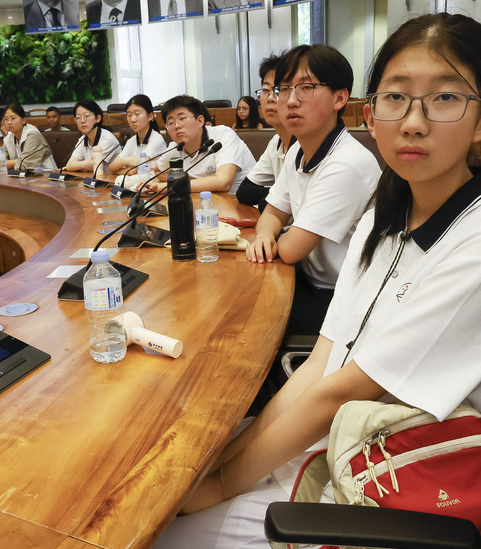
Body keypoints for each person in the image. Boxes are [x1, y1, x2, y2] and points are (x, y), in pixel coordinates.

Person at [130, 13, 481, 549]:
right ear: (372, 115)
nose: (414, 123)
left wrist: (221, 483)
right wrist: (223, 465)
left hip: (375, 483)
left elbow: (341, 391)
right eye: (397, 98)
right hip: (330, 440)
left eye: (445, 99)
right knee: (160, 472)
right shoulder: (387, 213)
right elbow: (323, 360)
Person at [246, 44, 382, 337]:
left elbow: (292, 250)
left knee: (246, 325)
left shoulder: (347, 163)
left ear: (340, 97)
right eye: (284, 89)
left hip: (344, 300)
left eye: (306, 87)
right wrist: (264, 235)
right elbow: (271, 212)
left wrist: (273, 236)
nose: (291, 100)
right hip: (309, 281)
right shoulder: (298, 150)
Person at [142, 95, 256, 195]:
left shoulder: (223, 135)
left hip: (244, 204)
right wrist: (187, 180)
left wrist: (168, 186)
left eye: (182, 118)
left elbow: (224, 182)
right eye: (170, 122)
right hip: (208, 203)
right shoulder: (174, 148)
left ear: (200, 121)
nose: (176, 125)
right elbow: (157, 172)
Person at [236, 53, 296, 212]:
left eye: (278, 89)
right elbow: (244, 192)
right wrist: (277, 194)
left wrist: (272, 197)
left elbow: (269, 204)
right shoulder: (276, 141)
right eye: (264, 90)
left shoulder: (305, 145)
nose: (269, 98)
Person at [108, 94, 167, 175]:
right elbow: (112, 167)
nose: (132, 119)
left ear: (150, 116)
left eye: (137, 114)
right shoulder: (131, 141)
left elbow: (135, 170)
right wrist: (126, 161)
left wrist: (122, 166)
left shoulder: (157, 139)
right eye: (129, 115)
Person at [63, 100, 121, 173]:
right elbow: (69, 165)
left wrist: (78, 166)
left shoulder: (108, 139)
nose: (82, 121)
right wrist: (84, 165)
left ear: (98, 118)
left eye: (86, 116)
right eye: (78, 117)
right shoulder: (83, 139)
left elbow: (94, 165)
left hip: (111, 181)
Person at [1, 103, 57, 172]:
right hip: (20, 177)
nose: (9, 122)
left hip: (45, 176)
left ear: (23, 120)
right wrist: (18, 161)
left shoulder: (33, 135)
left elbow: (26, 165)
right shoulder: (9, 138)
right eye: (6, 119)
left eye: (13, 118)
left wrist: (7, 163)